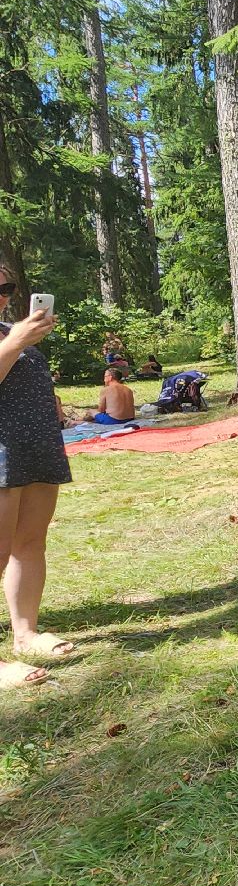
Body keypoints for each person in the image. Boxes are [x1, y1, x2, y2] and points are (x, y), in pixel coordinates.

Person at [0, 272, 75, 689]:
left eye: (6, 289)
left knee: (29, 543)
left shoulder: (12, 331)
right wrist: (14, 344)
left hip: (35, 448)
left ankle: (25, 634)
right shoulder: (12, 337)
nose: (3, 298)